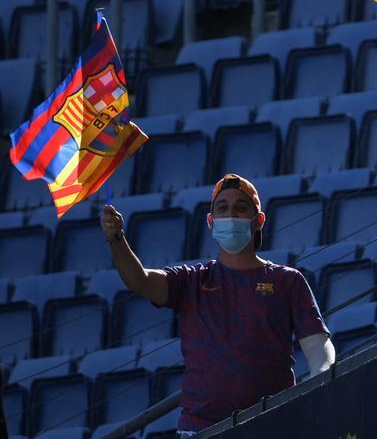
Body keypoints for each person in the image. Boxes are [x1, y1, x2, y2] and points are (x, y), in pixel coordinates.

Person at [100, 174, 335, 434]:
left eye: (241, 208)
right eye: (222, 208)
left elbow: (317, 343)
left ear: (259, 221)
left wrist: (321, 375)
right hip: (200, 430)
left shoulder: (287, 281)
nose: (231, 215)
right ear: (211, 222)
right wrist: (116, 238)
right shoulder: (192, 280)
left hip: (271, 426)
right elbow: (140, 281)